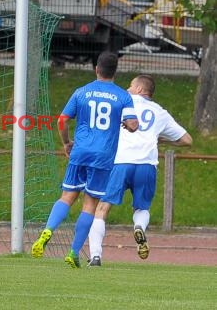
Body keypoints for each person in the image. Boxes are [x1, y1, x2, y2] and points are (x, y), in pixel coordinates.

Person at [30, 51, 139, 268]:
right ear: (115, 72)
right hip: (103, 157)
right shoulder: (123, 96)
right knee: (89, 205)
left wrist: (66, 142)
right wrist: (126, 124)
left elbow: (62, 120)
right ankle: (73, 252)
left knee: (67, 197)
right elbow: (133, 125)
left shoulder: (81, 92)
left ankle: (47, 231)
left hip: (79, 152)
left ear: (96, 69)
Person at [87, 74, 193, 266]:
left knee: (102, 208)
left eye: (130, 86)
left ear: (139, 89)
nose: (127, 89)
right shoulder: (160, 112)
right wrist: (162, 139)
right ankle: (139, 227)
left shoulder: (122, 103)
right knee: (142, 208)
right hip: (146, 164)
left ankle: (95, 256)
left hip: (120, 162)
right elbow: (187, 140)